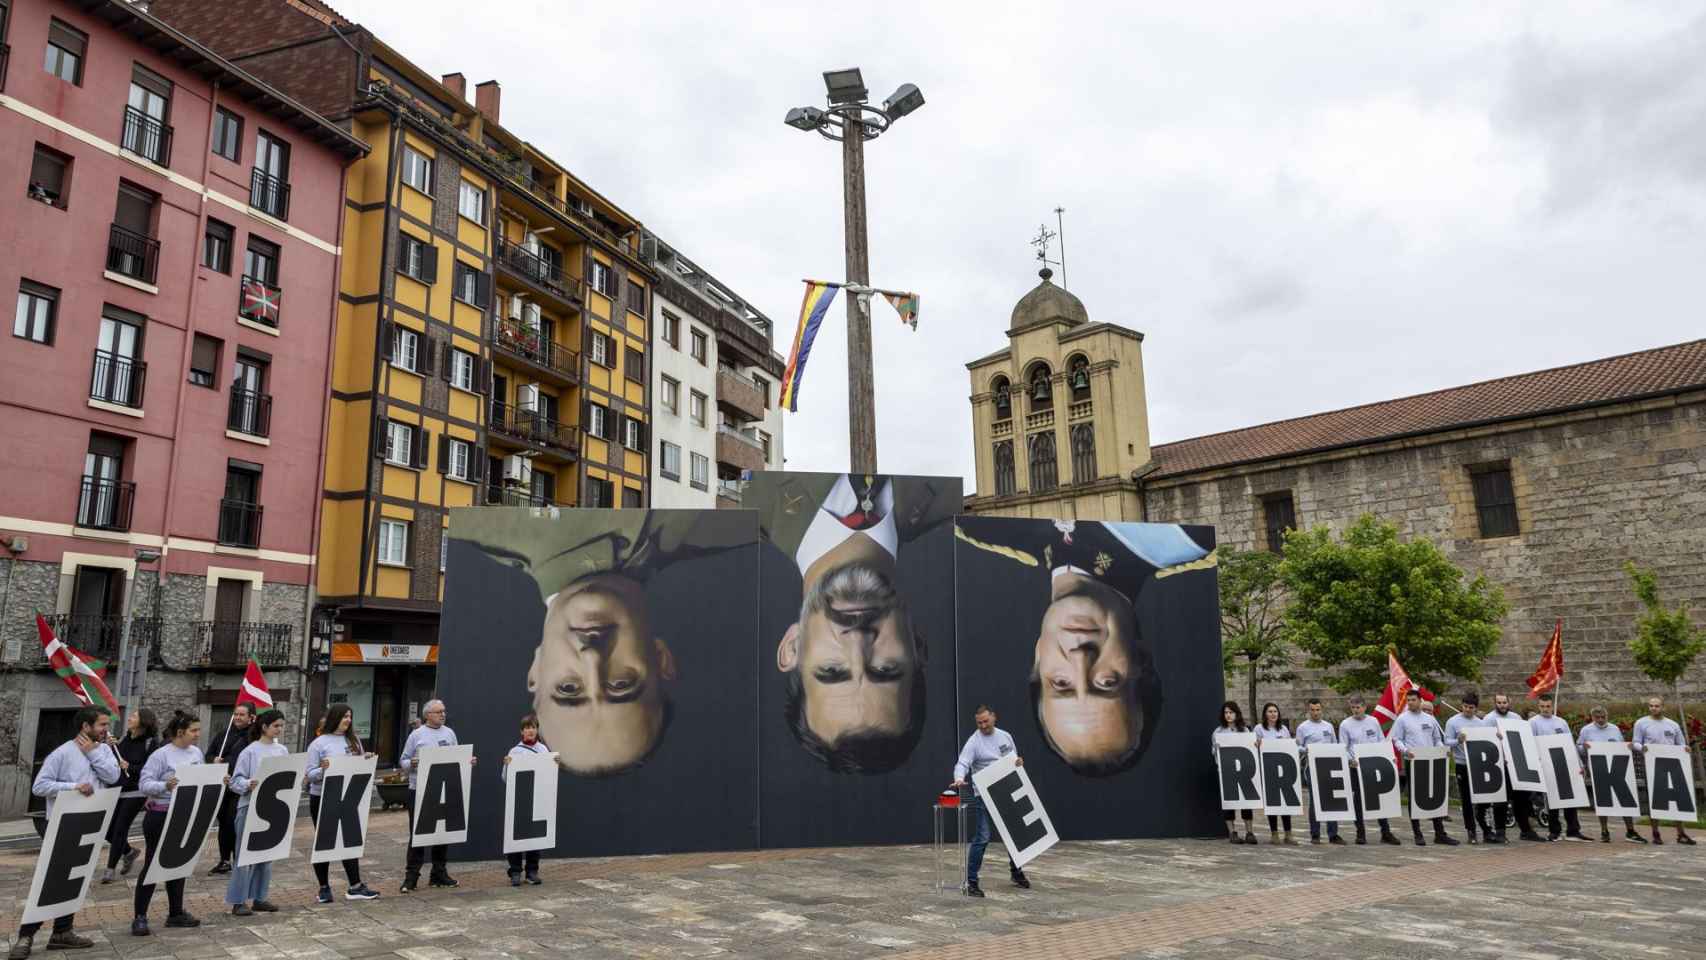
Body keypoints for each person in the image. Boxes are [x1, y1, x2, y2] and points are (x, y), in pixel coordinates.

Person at [470, 511, 743, 776]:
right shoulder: (739, 530)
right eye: (622, 684)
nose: (592, 657)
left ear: (536, 671)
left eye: (568, 688)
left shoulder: (484, 529)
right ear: (661, 659)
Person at [956, 517, 1211, 775]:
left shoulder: (976, 531)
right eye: (1107, 682)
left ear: (1038, 657)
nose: (1080, 658)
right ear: (1140, 659)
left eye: (1061, 683)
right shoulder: (1185, 542)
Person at [762, 474, 949, 774]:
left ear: (793, 647)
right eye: (885, 670)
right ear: (917, 644)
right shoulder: (945, 503)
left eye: (832, 671)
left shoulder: (756, 504)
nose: (857, 641)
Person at [9, 706, 118, 958]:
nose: (105, 730)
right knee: (52, 879)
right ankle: (26, 935)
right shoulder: (62, 753)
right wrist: (74, 787)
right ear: (85, 727)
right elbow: (40, 786)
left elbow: (112, 776)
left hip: (89, 823)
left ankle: (62, 932)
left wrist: (93, 754)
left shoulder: (103, 750)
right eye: (101, 725)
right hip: (61, 823)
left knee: (73, 879)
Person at [132, 711, 205, 936]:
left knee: (178, 862)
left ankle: (175, 913)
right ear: (180, 732)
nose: (198, 735)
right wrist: (165, 785)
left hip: (184, 813)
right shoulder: (160, 755)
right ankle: (140, 916)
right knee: (153, 863)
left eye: (198, 730)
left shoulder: (196, 752)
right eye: (194, 730)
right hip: (160, 815)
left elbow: (200, 778)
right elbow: (144, 784)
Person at [950, 706, 1031, 897]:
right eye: (979, 723)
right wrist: (959, 778)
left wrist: (1018, 762)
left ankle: (1016, 872)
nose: (983, 725)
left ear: (994, 717)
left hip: (1006, 791)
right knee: (983, 837)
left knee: (1014, 834)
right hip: (984, 795)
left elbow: (1012, 759)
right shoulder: (974, 741)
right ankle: (971, 882)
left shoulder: (1005, 736)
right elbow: (963, 763)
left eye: (986, 721)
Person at [304, 704, 382, 903]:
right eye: (344, 716)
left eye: (350, 716)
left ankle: (355, 886)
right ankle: (324, 888)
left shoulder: (354, 740)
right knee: (325, 841)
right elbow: (310, 775)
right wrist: (323, 770)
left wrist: (366, 760)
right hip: (322, 797)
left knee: (350, 838)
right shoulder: (319, 744)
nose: (347, 720)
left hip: (348, 797)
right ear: (334, 718)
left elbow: (357, 765)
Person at [399, 699, 474, 893]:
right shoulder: (417, 736)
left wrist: (468, 761)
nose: (443, 714)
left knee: (442, 833)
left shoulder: (449, 733)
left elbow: (456, 757)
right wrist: (412, 764)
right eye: (438, 711)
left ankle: (438, 874)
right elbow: (404, 761)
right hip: (420, 790)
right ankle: (411, 877)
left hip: (444, 789)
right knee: (418, 834)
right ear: (427, 715)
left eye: (444, 711)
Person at [225, 708, 288, 916]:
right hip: (249, 805)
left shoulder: (282, 751)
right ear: (264, 727)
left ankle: (260, 897)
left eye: (281, 725)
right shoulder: (250, 751)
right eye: (276, 725)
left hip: (272, 807)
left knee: (266, 854)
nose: (279, 729)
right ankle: (238, 900)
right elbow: (235, 781)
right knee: (244, 854)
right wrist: (248, 784)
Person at [1389, 692, 1459, 846]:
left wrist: (1441, 750)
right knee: (1415, 797)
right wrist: (1406, 751)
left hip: (1431, 760)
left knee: (1435, 795)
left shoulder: (1430, 719)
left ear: (1420, 701)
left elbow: (1436, 739)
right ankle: (1417, 833)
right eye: (1408, 700)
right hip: (1413, 760)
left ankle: (1440, 833)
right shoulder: (1402, 719)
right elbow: (1397, 739)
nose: (1411, 703)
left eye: (1413, 700)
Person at [102, 707, 158, 884]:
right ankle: (128, 852)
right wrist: (111, 747)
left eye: (134, 716)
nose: (130, 718)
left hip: (136, 791)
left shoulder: (151, 742)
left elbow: (150, 769)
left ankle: (110, 869)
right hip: (118, 789)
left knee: (120, 827)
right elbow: (116, 762)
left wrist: (130, 768)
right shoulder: (125, 739)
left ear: (144, 721)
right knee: (107, 829)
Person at [1632, 695, 1697, 845]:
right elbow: (1635, 742)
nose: (1653, 708)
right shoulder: (1641, 723)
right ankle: (1655, 832)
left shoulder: (1672, 725)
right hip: (1652, 766)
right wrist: (1643, 748)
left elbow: (1681, 745)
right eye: (1651, 706)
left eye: (1657, 706)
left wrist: (1685, 749)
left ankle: (1681, 833)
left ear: (1663, 707)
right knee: (1655, 799)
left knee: (1677, 799)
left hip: (1672, 766)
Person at [1575, 705, 1645, 844]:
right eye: (1597, 717)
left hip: (1616, 767)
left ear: (1607, 716)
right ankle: (1604, 831)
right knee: (1603, 800)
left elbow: (1620, 746)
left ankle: (1630, 830)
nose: (1601, 720)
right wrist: (1584, 748)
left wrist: (1628, 746)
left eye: (1603, 717)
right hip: (1599, 769)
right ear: (1592, 717)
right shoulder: (1586, 730)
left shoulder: (1614, 728)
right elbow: (1578, 749)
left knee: (1625, 798)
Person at [1339, 696, 1399, 846]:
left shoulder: (1373, 721)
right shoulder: (1345, 724)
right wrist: (1349, 760)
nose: (1356, 710)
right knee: (1358, 801)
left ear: (1365, 707)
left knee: (1379, 798)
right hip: (1356, 767)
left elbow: (1380, 741)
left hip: (1374, 765)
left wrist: (1389, 756)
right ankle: (1360, 833)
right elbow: (1343, 747)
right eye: (1353, 707)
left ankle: (1385, 832)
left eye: (1358, 707)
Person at [1528, 694, 1586, 841]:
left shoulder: (1561, 722)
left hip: (1563, 764)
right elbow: (1531, 745)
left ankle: (1573, 830)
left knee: (1570, 798)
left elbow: (1570, 744)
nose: (1545, 709)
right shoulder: (1533, 722)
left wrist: (1579, 764)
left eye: (1548, 706)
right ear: (1538, 706)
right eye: (1542, 706)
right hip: (1547, 765)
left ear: (1552, 706)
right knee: (1552, 800)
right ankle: (1554, 831)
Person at [502, 712, 551, 886]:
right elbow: (505, 778)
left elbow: (549, 776)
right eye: (527, 728)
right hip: (520, 800)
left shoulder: (544, 750)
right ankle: (515, 871)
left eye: (533, 727)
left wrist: (555, 764)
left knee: (534, 837)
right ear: (522, 732)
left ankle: (532, 871)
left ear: (537, 730)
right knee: (516, 837)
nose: (530, 731)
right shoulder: (515, 751)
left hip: (537, 799)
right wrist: (507, 765)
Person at [205, 702, 255, 875]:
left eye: (242, 715)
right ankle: (224, 859)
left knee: (234, 823)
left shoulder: (253, 737)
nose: (237, 718)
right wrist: (214, 760)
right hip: (222, 786)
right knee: (224, 824)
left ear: (251, 717)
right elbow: (209, 754)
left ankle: (238, 858)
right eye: (236, 714)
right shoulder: (223, 735)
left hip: (240, 786)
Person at [1487, 693, 1542, 841]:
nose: (1502, 705)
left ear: (1509, 702)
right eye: (1499, 702)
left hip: (1517, 764)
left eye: (1504, 702)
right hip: (1499, 765)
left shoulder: (1516, 718)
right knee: (1501, 800)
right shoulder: (1489, 719)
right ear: (1495, 703)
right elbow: (1485, 741)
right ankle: (1500, 832)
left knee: (1522, 799)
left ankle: (1525, 830)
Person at [1443, 692, 1491, 844]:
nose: (1468, 710)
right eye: (1465, 707)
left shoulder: (1481, 723)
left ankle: (1485, 827)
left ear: (1476, 708)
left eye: (1471, 707)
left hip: (1478, 764)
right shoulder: (1453, 722)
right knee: (1466, 799)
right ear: (1461, 706)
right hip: (1462, 764)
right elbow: (1446, 741)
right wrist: (1457, 740)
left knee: (1483, 797)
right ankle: (1471, 831)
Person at [1294, 698, 1341, 845]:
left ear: (1322, 710)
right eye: (1312, 710)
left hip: (1328, 766)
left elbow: (1335, 745)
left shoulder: (1328, 726)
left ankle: (1333, 834)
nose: (1315, 713)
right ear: (1308, 711)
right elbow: (1297, 747)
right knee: (1315, 800)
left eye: (1318, 709)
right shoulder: (1303, 727)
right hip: (1311, 767)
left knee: (1330, 800)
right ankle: (1315, 834)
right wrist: (1306, 749)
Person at [1212, 700, 1256, 845]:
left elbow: (1251, 749)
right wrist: (1217, 748)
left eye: (1231, 712)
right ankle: (1232, 832)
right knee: (1229, 802)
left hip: (1243, 771)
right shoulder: (1218, 732)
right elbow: (1214, 753)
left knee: (1246, 802)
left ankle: (1249, 831)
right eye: (1226, 712)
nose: (1228, 715)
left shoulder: (1244, 730)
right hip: (1227, 771)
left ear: (1236, 714)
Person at [1252, 703, 1297, 844]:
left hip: (1283, 770)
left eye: (1275, 711)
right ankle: (1274, 833)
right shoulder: (1259, 729)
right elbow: (1254, 747)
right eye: (1270, 711)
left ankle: (1288, 834)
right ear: (1265, 714)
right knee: (1272, 802)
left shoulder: (1283, 729)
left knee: (1285, 802)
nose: (1273, 714)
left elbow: (1290, 747)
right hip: (1268, 770)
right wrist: (1257, 744)